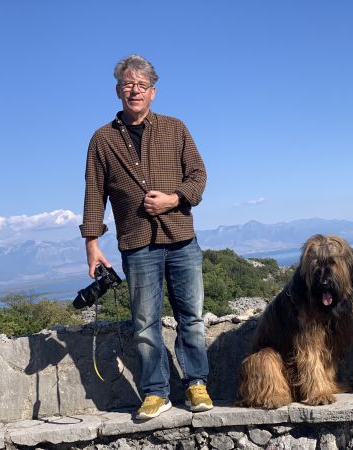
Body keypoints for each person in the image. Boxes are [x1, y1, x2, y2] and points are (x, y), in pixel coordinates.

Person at [80, 54, 213, 419]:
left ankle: (196, 384)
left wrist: (174, 199)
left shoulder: (175, 128)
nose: (135, 91)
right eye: (128, 84)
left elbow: (199, 176)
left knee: (192, 318)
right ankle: (156, 392)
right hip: (137, 244)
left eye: (142, 85)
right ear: (117, 91)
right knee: (144, 323)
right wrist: (92, 244)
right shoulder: (102, 139)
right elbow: (94, 193)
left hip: (182, 239)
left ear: (153, 92)